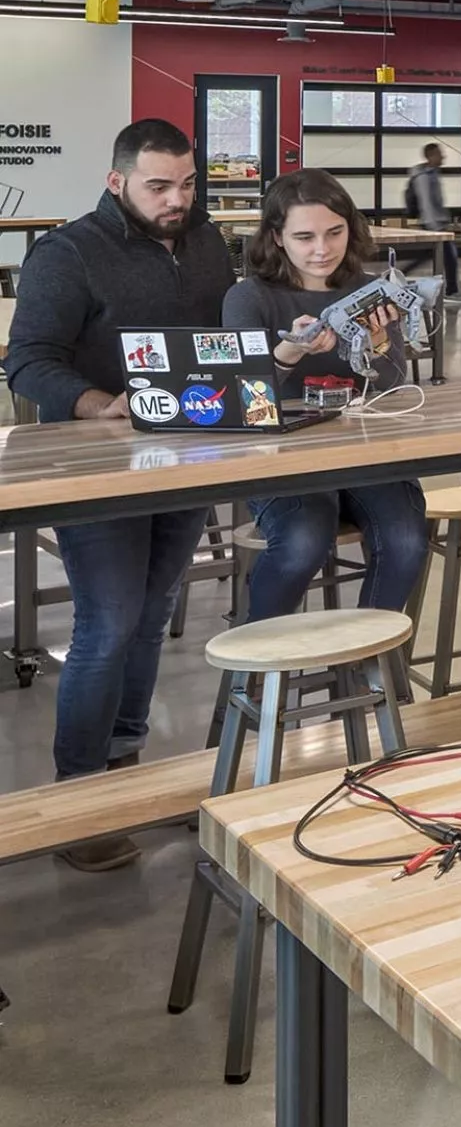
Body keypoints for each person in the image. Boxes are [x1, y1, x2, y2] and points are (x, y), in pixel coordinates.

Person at [2, 119, 235, 864]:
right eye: (159, 186)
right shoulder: (66, 254)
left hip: (189, 451)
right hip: (99, 467)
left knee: (154, 610)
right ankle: (79, 798)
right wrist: (100, 403)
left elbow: (224, 337)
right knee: (108, 622)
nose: (178, 199)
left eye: (188, 184)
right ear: (117, 182)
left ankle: (124, 766)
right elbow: (28, 362)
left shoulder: (206, 243)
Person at [222, 171, 430, 624]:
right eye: (304, 236)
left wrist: (379, 340)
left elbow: (393, 387)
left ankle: (366, 666)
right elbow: (242, 401)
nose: (322, 249)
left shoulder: (370, 291)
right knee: (302, 541)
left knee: (406, 540)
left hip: (364, 453)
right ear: (277, 238)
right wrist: (289, 351)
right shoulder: (248, 298)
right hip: (282, 459)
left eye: (335, 232)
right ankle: (256, 657)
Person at [402, 142, 459, 297]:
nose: (443, 156)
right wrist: (436, 227)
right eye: (439, 153)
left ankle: (400, 275)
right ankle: (452, 291)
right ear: (430, 156)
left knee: (427, 256)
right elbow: (426, 202)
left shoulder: (432, 173)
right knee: (450, 258)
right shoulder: (423, 177)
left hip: (436, 223)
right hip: (433, 224)